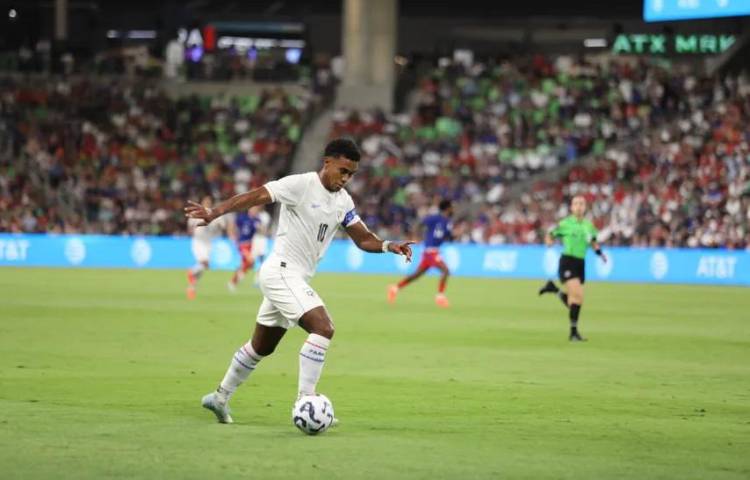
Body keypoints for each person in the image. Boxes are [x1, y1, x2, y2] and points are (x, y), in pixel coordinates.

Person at [185, 138, 414, 424]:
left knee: (262, 346)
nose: (346, 178)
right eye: (343, 170)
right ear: (327, 162)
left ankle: (219, 398)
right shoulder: (301, 185)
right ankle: (306, 402)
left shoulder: (343, 201)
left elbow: (363, 238)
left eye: (352, 174)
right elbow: (257, 195)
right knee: (323, 327)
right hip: (281, 271)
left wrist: (388, 245)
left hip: (293, 277)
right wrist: (215, 212)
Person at [538, 195, 607, 341]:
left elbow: (593, 242)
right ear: (571, 207)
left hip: (580, 263)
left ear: (585, 207)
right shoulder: (565, 223)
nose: (579, 206)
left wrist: (600, 254)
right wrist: (549, 242)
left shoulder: (589, 226)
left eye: (581, 204)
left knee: (575, 301)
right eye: (576, 204)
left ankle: (553, 289)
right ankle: (573, 333)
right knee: (578, 296)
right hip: (567, 261)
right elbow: (550, 235)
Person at [387, 199, 454, 308]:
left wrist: (454, 235)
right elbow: (419, 223)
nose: (453, 209)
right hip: (430, 251)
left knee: (416, 275)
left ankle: (395, 288)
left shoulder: (447, 221)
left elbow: (448, 237)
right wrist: (415, 236)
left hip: (434, 251)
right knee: (445, 271)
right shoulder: (435, 218)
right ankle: (440, 296)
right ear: (447, 208)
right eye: (452, 207)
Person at [186, 196, 228, 300]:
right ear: (202, 202)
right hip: (198, 241)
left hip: (208, 242)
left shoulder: (215, 214)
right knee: (204, 263)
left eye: (209, 202)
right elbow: (190, 228)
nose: (207, 204)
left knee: (204, 266)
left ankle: (192, 285)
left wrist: (219, 226)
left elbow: (223, 226)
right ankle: (191, 273)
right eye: (205, 202)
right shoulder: (197, 213)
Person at [227, 206, 262, 292]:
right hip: (242, 244)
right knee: (250, 261)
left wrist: (260, 228)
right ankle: (236, 279)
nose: (254, 211)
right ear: (249, 209)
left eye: (256, 209)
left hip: (251, 244)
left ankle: (233, 282)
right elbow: (232, 225)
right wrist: (231, 235)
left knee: (246, 264)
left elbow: (261, 232)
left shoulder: (257, 220)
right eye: (253, 209)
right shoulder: (242, 217)